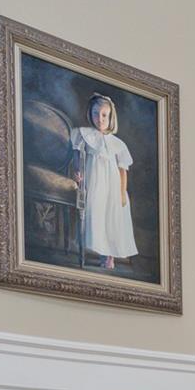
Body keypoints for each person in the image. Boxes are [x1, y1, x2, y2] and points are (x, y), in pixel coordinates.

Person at [68, 94, 138, 270]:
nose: (100, 119)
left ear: (110, 117)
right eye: (96, 114)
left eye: (104, 115)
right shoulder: (83, 135)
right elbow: (77, 157)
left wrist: (122, 192)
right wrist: (77, 171)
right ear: (90, 114)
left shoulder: (118, 144)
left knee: (111, 217)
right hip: (94, 182)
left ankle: (109, 256)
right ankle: (97, 250)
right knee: (96, 214)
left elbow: (123, 170)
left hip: (113, 186)